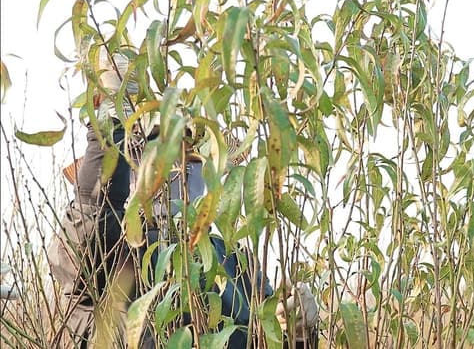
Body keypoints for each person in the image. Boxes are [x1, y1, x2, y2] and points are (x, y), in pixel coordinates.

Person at [47, 51, 318, 347]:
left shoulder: (234, 263)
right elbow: (94, 216)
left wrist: (298, 333)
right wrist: (111, 126)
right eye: (159, 168)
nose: (177, 183)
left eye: (190, 169)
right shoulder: (112, 254)